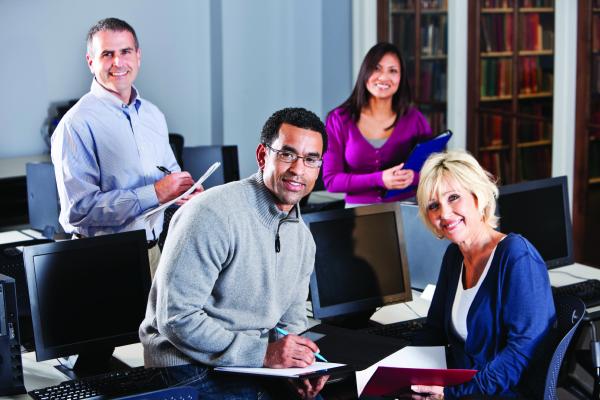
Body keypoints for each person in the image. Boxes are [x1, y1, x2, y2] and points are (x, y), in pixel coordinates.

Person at [139, 108, 329, 399]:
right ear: (263, 156)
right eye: (287, 154)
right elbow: (176, 318)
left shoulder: (303, 239)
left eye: (310, 159)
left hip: (250, 363)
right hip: (186, 366)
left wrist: (298, 367)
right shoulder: (212, 213)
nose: (298, 170)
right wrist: (265, 354)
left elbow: (290, 325)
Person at [51, 18, 199, 277]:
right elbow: (78, 211)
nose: (118, 63)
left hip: (154, 253)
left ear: (138, 56)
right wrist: (154, 193)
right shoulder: (76, 124)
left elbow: (170, 176)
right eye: (107, 54)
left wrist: (187, 193)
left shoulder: (154, 115)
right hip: (102, 261)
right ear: (91, 62)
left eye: (125, 52)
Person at [411, 150, 556, 398]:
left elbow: (520, 354)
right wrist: (397, 368)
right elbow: (434, 331)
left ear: (478, 197)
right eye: (434, 206)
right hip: (464, 390)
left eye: (454, 197)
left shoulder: (517, 256)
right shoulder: (454, 256)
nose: (444, 214)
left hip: (502, 392)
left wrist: (453, 394)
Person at [322, 42, 432, 205]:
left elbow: (434, 171)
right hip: (358, 215)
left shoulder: (415, 119)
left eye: (393, 71)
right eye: (376, 68)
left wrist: (414, 178)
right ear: (365, 72)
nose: (384, 77)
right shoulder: (339, 119)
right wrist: (379, 179)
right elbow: (331, 181)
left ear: (401, 78)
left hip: (406, 208)